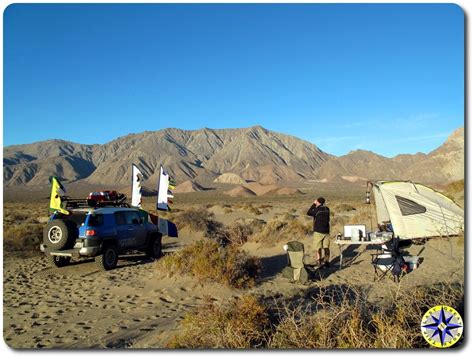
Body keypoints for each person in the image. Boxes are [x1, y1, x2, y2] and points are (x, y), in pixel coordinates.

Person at [306, 197, 331, 268]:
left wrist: (314, 204)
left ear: (318, 202)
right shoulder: (327, 209)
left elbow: (309, 212)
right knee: (326, 247)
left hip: (318, 231)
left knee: (318, 248)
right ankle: (327, 262)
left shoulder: (317, 210)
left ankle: (319, 262)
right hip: (326, 230)